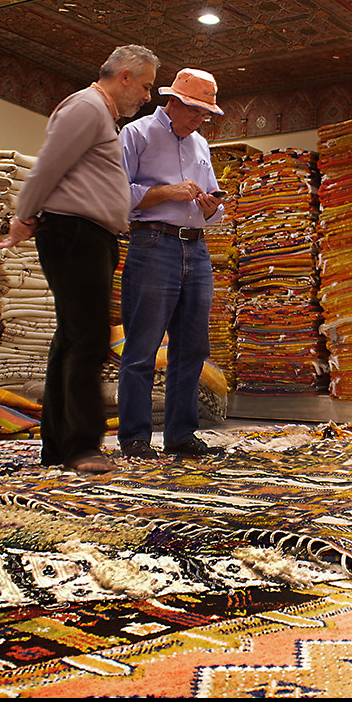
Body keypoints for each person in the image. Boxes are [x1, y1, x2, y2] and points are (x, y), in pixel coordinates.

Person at [0, 44, 159, 475]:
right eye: (144, 86)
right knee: (88, 339)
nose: (146, 97)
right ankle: (83, 446)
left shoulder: (98, 115)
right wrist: (23, 216)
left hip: (87, 234)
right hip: (75, 234)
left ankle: (58, 447)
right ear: (124, 76)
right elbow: (47, 166)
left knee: (71, 341)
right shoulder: (87, 107)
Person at [116, 68, 227, 458]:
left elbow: (214, 207)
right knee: (143, 346)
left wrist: (212, 206)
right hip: (152, 244)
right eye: (196, 111)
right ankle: (134, 438)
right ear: (174, 102)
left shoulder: (200, 145)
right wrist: (166, 192)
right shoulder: (137, 134)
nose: (200, 121)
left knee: (193, 347)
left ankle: (181, 434)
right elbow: (115, 193)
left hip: (196, 249)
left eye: (205, 115)